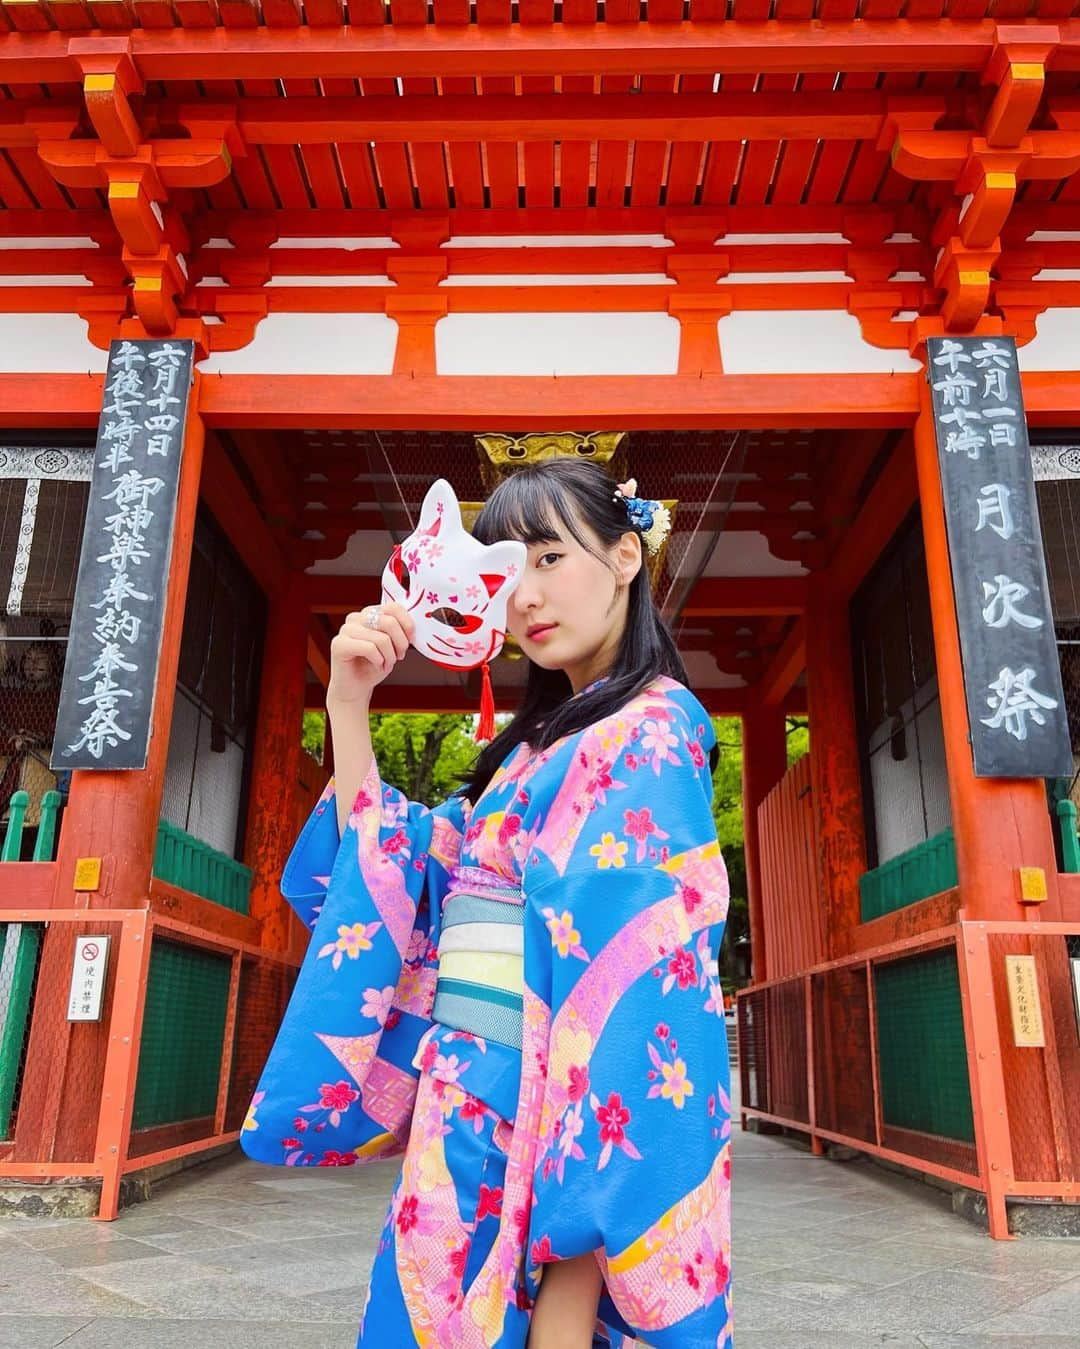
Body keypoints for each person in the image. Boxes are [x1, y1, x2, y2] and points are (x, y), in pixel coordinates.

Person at [241, 459, 733, 1348]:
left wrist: (572, 1288)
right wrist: (347, 702)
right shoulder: (528, 753)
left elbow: (626, 1013)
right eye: (509, 574)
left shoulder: (652, 730)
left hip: (540, 1104)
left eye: (549, 558)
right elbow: (399, 870)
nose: (527, 597)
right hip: (463, 1097)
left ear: (627, 555)